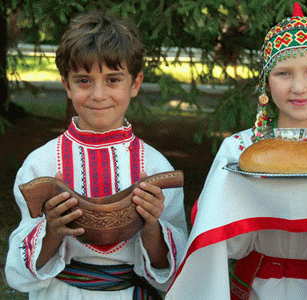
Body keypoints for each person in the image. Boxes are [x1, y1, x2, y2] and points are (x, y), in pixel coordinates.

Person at [165, 3, 307, 300]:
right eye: (283, 73)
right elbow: (229, 248)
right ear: (266, 80)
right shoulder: (238, 150)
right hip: (253, 288)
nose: (299, 87)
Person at [5, 10, 187, 300]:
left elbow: (173, 271)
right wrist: (52, 229)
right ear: (66, 85)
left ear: (136, 84)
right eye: (84, 81)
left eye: (113, 80)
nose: (98, 94)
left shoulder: (155, 167)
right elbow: (20, 273)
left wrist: (151, 226)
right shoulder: (41, 164)